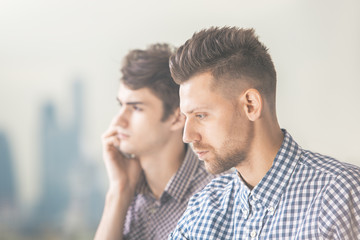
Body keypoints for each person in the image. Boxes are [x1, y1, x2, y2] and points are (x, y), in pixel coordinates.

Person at [168, 27, 360, 239]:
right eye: (186, 117)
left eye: (201, 115)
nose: (187, 136)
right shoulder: (202, 209)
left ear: (250, 105)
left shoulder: (340, 195)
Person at [94, 43, 216, 240]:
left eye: (136, 108)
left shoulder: (216, 193)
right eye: (121, 105)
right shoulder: (128, 191)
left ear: (177, 118)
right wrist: (119, 190)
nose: (118, 121)